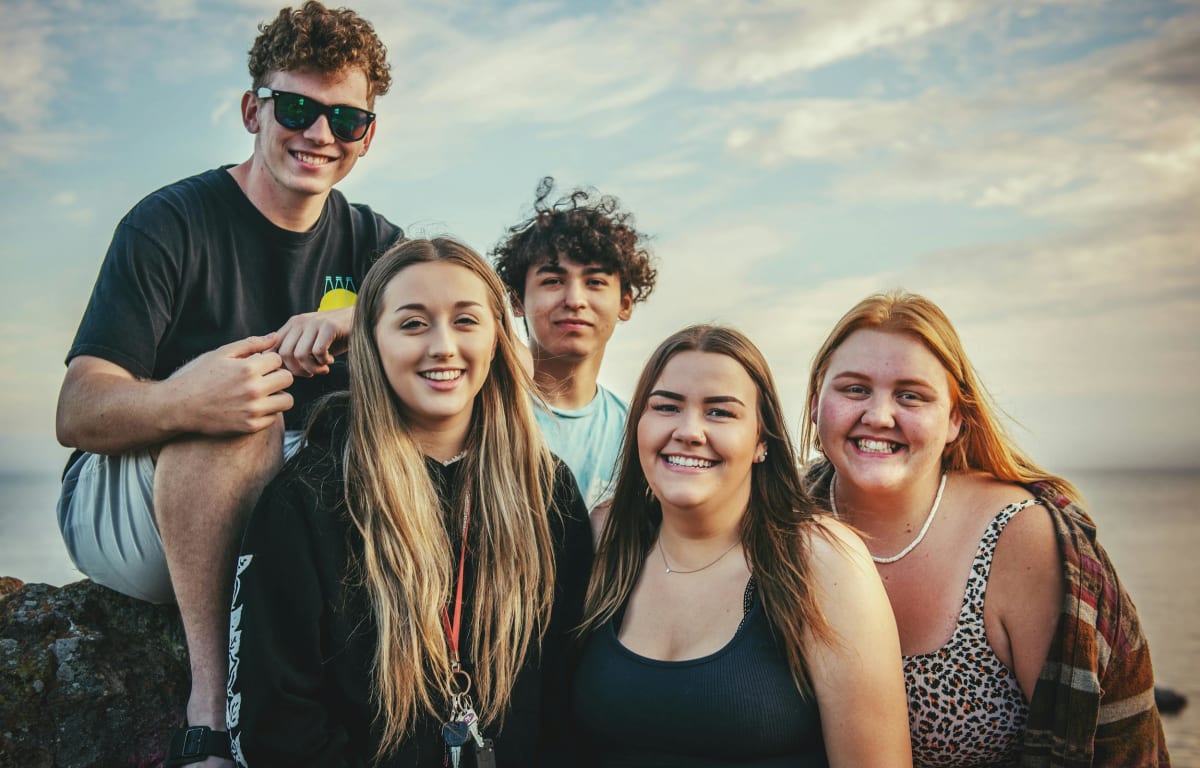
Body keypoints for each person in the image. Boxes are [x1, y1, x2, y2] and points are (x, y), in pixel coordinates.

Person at [53, 3, 401, 764]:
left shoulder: (379, 249)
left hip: (279, 516)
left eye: (345, 119)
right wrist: (190, 398)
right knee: (248, 402)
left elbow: (468, 342)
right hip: (131, 510)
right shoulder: (170, 222)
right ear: (254, 109)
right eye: (299, 108)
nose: (319, 135)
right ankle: (210, 717)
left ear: (366, 136)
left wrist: (355, 322)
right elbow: (76, 410)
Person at [226, 238, 594, 767]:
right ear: (373, 343)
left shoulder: (546, 490)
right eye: (413, 323)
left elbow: (572, 692)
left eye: (466, 321)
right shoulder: (309, 496)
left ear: (496, 340)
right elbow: (275, 718)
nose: (442, 346)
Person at [801, 291, 1170, 767]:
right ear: (815, 404)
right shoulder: (783, 519)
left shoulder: (1022, 539)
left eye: (910, 395)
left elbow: (1108, 751)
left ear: (955, 419)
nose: (878, 416)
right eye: (854, 389)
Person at [572, 325, 912, 767]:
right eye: (666, 407)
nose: (689, 431)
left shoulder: (821, 560)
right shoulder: (604, 541)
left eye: (720, 413)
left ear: (761, 442)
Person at [492, 177, 657, 523]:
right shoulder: (484, 411)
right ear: (518, 300)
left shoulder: (638, 434)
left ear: (625, 303)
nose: (574, 300)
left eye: (595, 282)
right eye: (552, 281)